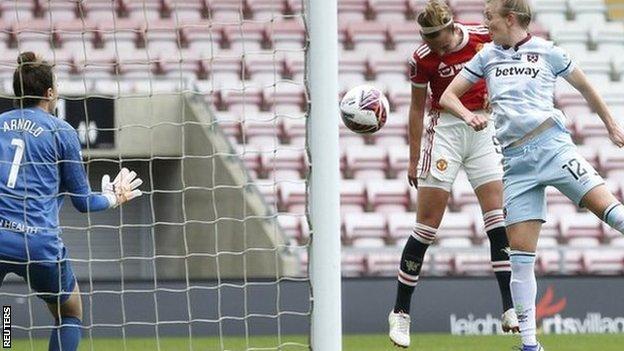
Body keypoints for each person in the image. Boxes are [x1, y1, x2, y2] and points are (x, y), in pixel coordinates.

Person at [439, 0, 624, 349]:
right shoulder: (486, 56)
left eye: (489, 17)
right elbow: (448, 96)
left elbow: (585, 87)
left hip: (553, 147)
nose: (485, 23)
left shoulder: (546, 51)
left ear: (510, 18)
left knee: (613, 214)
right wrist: (468, 115)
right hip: (516, 165)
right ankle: (529, 345)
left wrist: (612, 126)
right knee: (520, 258)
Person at [388, 1, 519, 348]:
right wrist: (413, 156)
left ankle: (509, 306)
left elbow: (507, 65)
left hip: (481, 128)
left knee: (496, 218)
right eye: (429, 39)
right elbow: (417, 108)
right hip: (445, 131)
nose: (437, 45)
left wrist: (495, 95)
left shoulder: (481, 36)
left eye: (440, 37)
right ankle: (400, 313)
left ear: (451, 26)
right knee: (427, 226)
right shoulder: (422, 59)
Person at [0, 52, 143, 351]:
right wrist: (113, 198)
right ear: (50, 92)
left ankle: (5, 339)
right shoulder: (61, 132)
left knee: (3, 317)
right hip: (37, 242)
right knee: (69, 312)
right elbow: (83, 203)